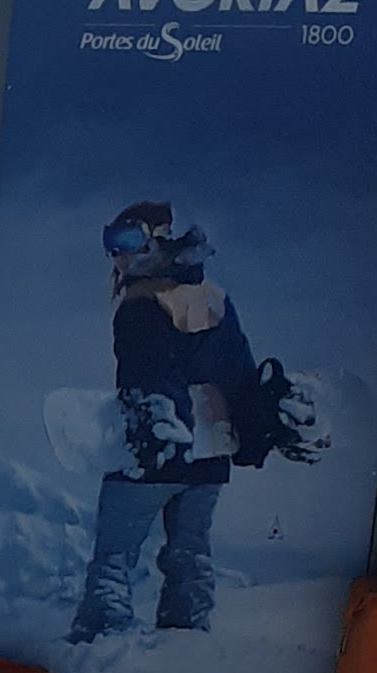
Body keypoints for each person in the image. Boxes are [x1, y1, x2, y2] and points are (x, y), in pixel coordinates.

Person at [68, 202, 316, 641]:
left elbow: (146, 377)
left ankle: (100, 641)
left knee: (114, 556)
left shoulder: (140, 304)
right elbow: (240, 373)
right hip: (210, 455)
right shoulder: (215, 298)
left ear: (158, 239)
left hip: (155, 450)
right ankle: (185, 640)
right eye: (111, 242)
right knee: (190, 553)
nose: (116, 254)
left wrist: (153, 432)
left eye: (127, 240)